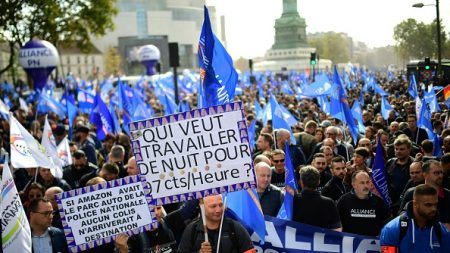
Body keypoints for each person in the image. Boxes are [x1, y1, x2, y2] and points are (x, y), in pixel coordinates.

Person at [380, 184, 450, 252]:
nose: (433, 209)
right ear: (415, 204)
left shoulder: (441, 231)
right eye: (428, 205)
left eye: (435, 204)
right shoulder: (391, 229)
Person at [178, 194, 255, 253]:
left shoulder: (235, 228)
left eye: (220, 205)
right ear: (202, 207)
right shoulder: (191, 230)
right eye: (213, 206)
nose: (218, 210)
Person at [337, 171, 391, 236]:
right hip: (349, 242)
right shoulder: (344, 201)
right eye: (362, 183)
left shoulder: (379, 202)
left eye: (367, 182)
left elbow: (387, 222)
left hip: (372, 243)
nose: (366, 186)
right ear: (354, 185)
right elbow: (336, 222)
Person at [399, 160, 450, 229]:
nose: (440, 176)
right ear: (425, 174)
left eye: (441, 172)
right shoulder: (412, 193)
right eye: (436, 173)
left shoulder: (448, 195)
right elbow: (402, 216)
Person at [292, 166, 342, 231]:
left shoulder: (293, 201)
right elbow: (337, 229)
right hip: (322, 240)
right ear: (319, 181)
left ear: (301, 182)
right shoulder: (329, 203)